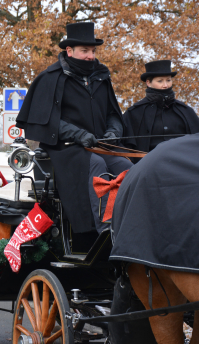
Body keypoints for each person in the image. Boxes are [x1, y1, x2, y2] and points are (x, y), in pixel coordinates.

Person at [16, 22, 135, 247]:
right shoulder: (50, 77)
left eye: (93, 51)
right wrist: (78, 134)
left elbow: (113, 114)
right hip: (64, 149)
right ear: (69, 51)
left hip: (99, 145)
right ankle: (105, 233)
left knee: (127, 167)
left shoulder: (101, 77)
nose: (90, 56)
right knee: (97, 165)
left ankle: (133, 224)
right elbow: (46, 120)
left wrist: (112, 132)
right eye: (84, 51)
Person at [123, 60, 199, 154]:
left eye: (168, 80)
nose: (165, 85)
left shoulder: (186, 111)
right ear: (148, 82)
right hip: (148, 165)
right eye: (160, 81)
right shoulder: (134, 113)